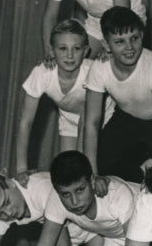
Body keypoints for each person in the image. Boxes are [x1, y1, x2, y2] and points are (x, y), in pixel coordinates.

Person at [83, 7, 152, 182]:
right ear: (106, 45)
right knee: (101, 163)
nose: (129, 47)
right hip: (125, 119)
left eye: (134, 38)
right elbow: (91, 122)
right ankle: (140, 172)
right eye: (120, 42)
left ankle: (149, 170)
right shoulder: (99, 68)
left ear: (142, 36)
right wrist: (93, 174)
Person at [16, 19, 113, 177]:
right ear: (52, 51)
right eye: (62, 48)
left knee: (84, 170)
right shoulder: (42, 73)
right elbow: (25, 122)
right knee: (66, 173)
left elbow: (88, 120)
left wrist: (109, 58)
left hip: (102, 120)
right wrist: (21, 169)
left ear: (86, 51)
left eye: (76, 48)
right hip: (69, 119)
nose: (69, 55)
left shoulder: (92, 70)